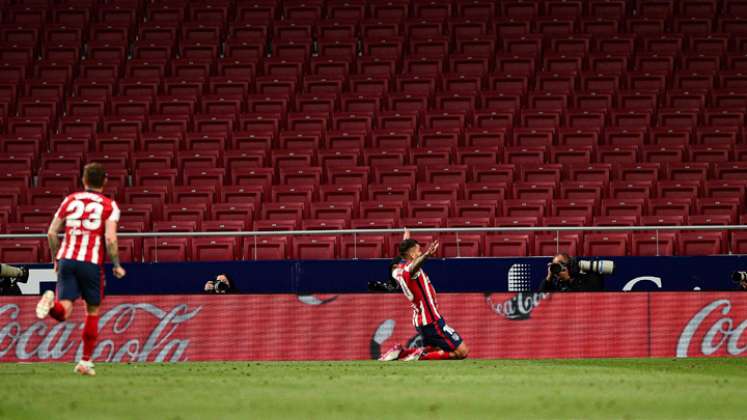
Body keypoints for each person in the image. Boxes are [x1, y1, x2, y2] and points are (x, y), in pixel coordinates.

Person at [36, 162, 126, 376]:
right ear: (104, 181)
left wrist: (55, 259)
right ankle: (85, 362)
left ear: (84, 180)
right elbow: (110, 238)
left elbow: (51, 233)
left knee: (64, 311)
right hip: (90, 263)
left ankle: (50, 306)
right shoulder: (109, 205)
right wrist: (116, 264)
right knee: (92, 311)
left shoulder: (70, 200)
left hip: (67, 259)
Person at [379, 233, 469, 361]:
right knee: (462, 351)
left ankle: (402, 353)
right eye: (418, 251)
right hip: (432, 321)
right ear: (412, 255)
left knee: (437, 349)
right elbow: (413, 267)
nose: (420, 252)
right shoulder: (411, 270)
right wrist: (426, 255)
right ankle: (419, 356)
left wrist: (406, 239)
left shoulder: (397, 271)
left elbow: (405, 259)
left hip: (421, 321)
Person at [539, 253, 604, 292]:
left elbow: (582, 296)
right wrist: (548, 277)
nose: (558, 268)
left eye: (561, 264)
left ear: (570, 266)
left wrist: (568, 280)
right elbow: (540, 295)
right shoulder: (553, 281)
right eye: (555, 265)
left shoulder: (582, 279)